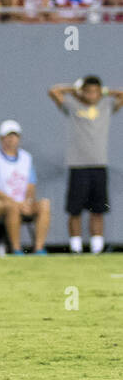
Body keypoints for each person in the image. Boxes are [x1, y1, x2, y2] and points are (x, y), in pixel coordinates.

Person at [49, 76, 119, 254]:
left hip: (99, 165)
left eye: (96, 91)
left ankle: (97, 247)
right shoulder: (73, 106)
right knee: (75, 209)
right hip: (78, 166)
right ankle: (76, 247)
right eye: (88, 91)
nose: (92, 95)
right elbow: (54, 91)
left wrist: (104, 92)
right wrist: (77, 90)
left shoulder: (106, 106)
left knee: (98, 209)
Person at [0, 120, 51, 255]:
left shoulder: (26, 158)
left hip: (22, 202)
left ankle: (39, 248)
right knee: (12, 207)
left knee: (44, 204)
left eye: (15, 136)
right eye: (8, 136)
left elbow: (30, 186)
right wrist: (15, 203)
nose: (11, 140)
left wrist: (28, 201)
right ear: (1, 138)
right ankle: (16, 249)